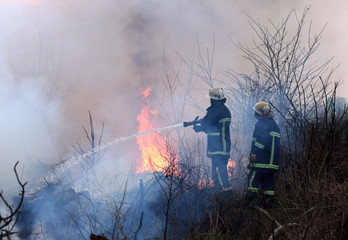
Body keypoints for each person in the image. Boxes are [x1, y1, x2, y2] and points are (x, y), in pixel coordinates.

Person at [191, 88, 232, 191]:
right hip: (224, 148)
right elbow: (212, 123)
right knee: (220, 173)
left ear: (213, 100)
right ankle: (223, 197)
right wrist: (203, 123)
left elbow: (210, 126)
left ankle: (225, 197)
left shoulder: (216, 111)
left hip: (218, 148)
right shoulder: (223, 110)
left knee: (218, 174)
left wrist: (200, 127)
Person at [246, 101, 280, 204]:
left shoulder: (262, 124)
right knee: (268, 184)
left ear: (260, 114)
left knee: (252, 180)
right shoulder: (274, 125)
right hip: (272, 163)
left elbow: (261, 141)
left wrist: (254, 153)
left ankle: (248, 205)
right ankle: (270, 205)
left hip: (261, 161)